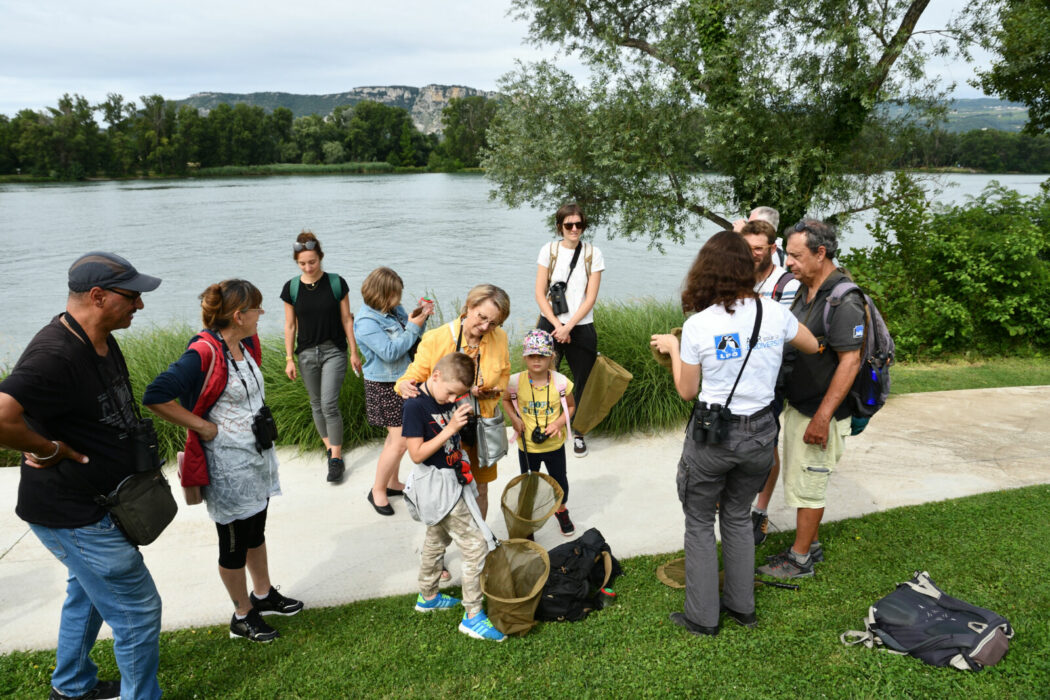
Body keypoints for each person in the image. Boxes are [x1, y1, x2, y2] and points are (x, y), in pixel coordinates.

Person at [0, 251, 164, 700]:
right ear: (98, 296)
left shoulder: (102, 340)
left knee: (87, 593)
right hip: (71, 512)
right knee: (138, 611)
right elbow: (0, 415)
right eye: (132, 297)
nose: (140, 306)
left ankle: (71, 688)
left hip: (101, 501)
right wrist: (50, 449)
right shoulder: (54, 354)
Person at [651, 232, 818, 636]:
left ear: (705, 272)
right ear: (749, 268)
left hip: (714, 438)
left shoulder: (697, 325)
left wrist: (673, 348)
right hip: (761, 433)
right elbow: (812, 345)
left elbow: (687, 391)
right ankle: (743, 609)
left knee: (698, 522)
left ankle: (703, 617)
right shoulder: (773, 313)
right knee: (740, 518)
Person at [144, 279, 303, 643]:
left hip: (256, 459)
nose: (262, 314)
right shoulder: (203, 353)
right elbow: (155, 395)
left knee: (255, 530)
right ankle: (242, 615)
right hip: (227, 468)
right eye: (257, 309)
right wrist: (202, 426)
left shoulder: (242, 344)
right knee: (232, 543)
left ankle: (262, 595)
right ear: (238, 315)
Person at [757, 220, 863, 580]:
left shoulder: (844, 300)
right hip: (801, 405)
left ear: (821, 253)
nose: (788, 263)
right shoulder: (806, 290)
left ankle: (799, 560)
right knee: (801, 481)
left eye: (796, 255)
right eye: (788, 254)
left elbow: (850, 362)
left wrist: (823, 417)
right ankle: (810, 544)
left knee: (810, 484)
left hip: (822, 412)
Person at [401, 352, 505, 642]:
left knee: (436, 540)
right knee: (476, 546)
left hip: (452, 481)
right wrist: (450, 429)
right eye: (449, 393)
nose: (450, 400)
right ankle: (473, 616)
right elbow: (416, 454)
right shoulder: (415, 406)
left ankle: (428, 597)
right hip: (437, 487)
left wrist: (468, 396)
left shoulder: (442, 393)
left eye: (456, 395)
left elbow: (454, 391)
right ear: (435, 376)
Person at [395, 284, 511, 519]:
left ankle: (479, 539)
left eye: (494, 323)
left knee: (481, 488)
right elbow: (413, 375)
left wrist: (490, 391)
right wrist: (403, 385)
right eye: (482, 317)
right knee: (448, 490)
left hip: (481, 429)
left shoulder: (500, 338)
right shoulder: (436, 338)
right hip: (445, 428)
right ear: (469, 306)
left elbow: (505, 375)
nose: (486, 327)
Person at [738, 219, 801, 545]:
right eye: (746, 248)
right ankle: (738, 501)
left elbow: (781, 332)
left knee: (766, 443)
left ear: (772, 249)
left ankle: (760, 512)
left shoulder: (787, 284)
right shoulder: (736, 275)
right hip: (738, 375)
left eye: (758, 249)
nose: (751, 255)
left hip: (771, 377)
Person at [281, 230, 362, 484]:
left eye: (312, 261)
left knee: (328, 404)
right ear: (297, 262)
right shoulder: (291, 288)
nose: (308, 267)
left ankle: (336, 459)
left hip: (333, 351)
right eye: (302, 263)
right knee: (315, 404)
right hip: (305, 354)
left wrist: (353, 352)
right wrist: (289, 359)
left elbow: (347, 319)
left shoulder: (336, 283)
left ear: (321, 257)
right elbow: (290, 326)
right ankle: (330, 448)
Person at [353, 267, 434, 516]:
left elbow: (411, 337)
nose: (399, 300)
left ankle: (391, 483)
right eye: (394, 295)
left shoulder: (393, 310)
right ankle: (377, 491)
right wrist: (412, 327)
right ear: (381, 294)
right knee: (400, 442)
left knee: (394, 440)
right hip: (384, 384)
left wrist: (420, 319)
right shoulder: (366, 322)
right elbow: (389, 352)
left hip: (404, 379)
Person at [535, 202, 605, 458]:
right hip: (550, 324)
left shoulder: (592, 253)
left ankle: (578, 432)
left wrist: (569, 326)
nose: (574, 229)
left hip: (581, 326)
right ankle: (546, 425)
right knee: (543, 376)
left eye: (579, 224)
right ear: (560, 226)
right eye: (569, 225)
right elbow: (539, 293)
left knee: (582, 380)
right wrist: (557, 325)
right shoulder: (549, 250)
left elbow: (590, 297)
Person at [502, 329, 577, 536]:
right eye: (532, 356)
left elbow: (571, 407)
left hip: (554, 444)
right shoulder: (515, 382)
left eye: (542, 356)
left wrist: (559, 423)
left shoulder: (561, 382)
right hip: (527, 446)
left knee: (559, 481)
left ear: (551, 357)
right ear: (525, 357)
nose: (537, 360)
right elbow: (506, 400)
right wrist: (514, 419)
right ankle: (528, 521)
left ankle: (561, 511)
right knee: (529, 486)